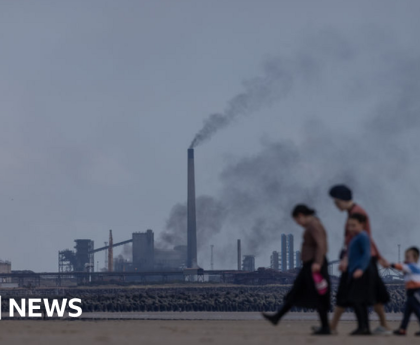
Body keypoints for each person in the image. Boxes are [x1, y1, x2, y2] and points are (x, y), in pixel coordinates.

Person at [328, 184, 391, 335]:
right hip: (361, 258)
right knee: (369, 294)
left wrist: (346, 259)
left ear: (342, 200)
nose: (335, 206)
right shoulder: (354, 212)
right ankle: (332, 327)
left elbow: (365, 238)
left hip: (359, 260)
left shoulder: (357, 213)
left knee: (351, 293)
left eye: (336, 202)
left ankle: (333, 327)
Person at [262, 204, 331, 335]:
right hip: (309, 265)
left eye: (297, 221)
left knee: (318, 295)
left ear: (300, 216)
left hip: (314, 265)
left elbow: (321, 244)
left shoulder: (314, 225)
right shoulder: (313, 225)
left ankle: (326, 327)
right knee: (296, 291)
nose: (298, 223)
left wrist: (317, 262)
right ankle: (277, 317)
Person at [346, 213, 374, 335]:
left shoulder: (363, 236)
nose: (351, 228)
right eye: (349, 225)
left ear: (362, 224)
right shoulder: (355, 237)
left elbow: (367, 254)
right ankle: (365, 327)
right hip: (354, 272)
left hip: (360, 273)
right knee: (358, 301)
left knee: (356, 300)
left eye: (354, 225)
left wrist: (361, 269)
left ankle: (362, 327)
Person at [391, 247, 420, 336]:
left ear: (415, 258)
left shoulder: (412, 266)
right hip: (410, 293)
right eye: (405, 257)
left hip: (414, 292)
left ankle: (403, 329)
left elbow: (401, 267)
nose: (406, 259)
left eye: (408, 257)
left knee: (417, 311)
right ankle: (403, 329)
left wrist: (391, 264)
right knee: (407, 312)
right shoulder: (410, 268)